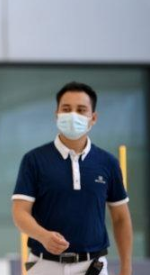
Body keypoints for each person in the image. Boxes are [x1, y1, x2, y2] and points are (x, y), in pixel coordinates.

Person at [11, 82, 133, 275]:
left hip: (93, 266)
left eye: (81, 109)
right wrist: (43, 236)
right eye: (66, 109)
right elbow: (20, 213)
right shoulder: (34, 160)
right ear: (56, 115)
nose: (73, 115)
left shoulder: (108, 162)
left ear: (93, 118)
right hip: (44, 266)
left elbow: (121, 218)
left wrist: (126, 266)